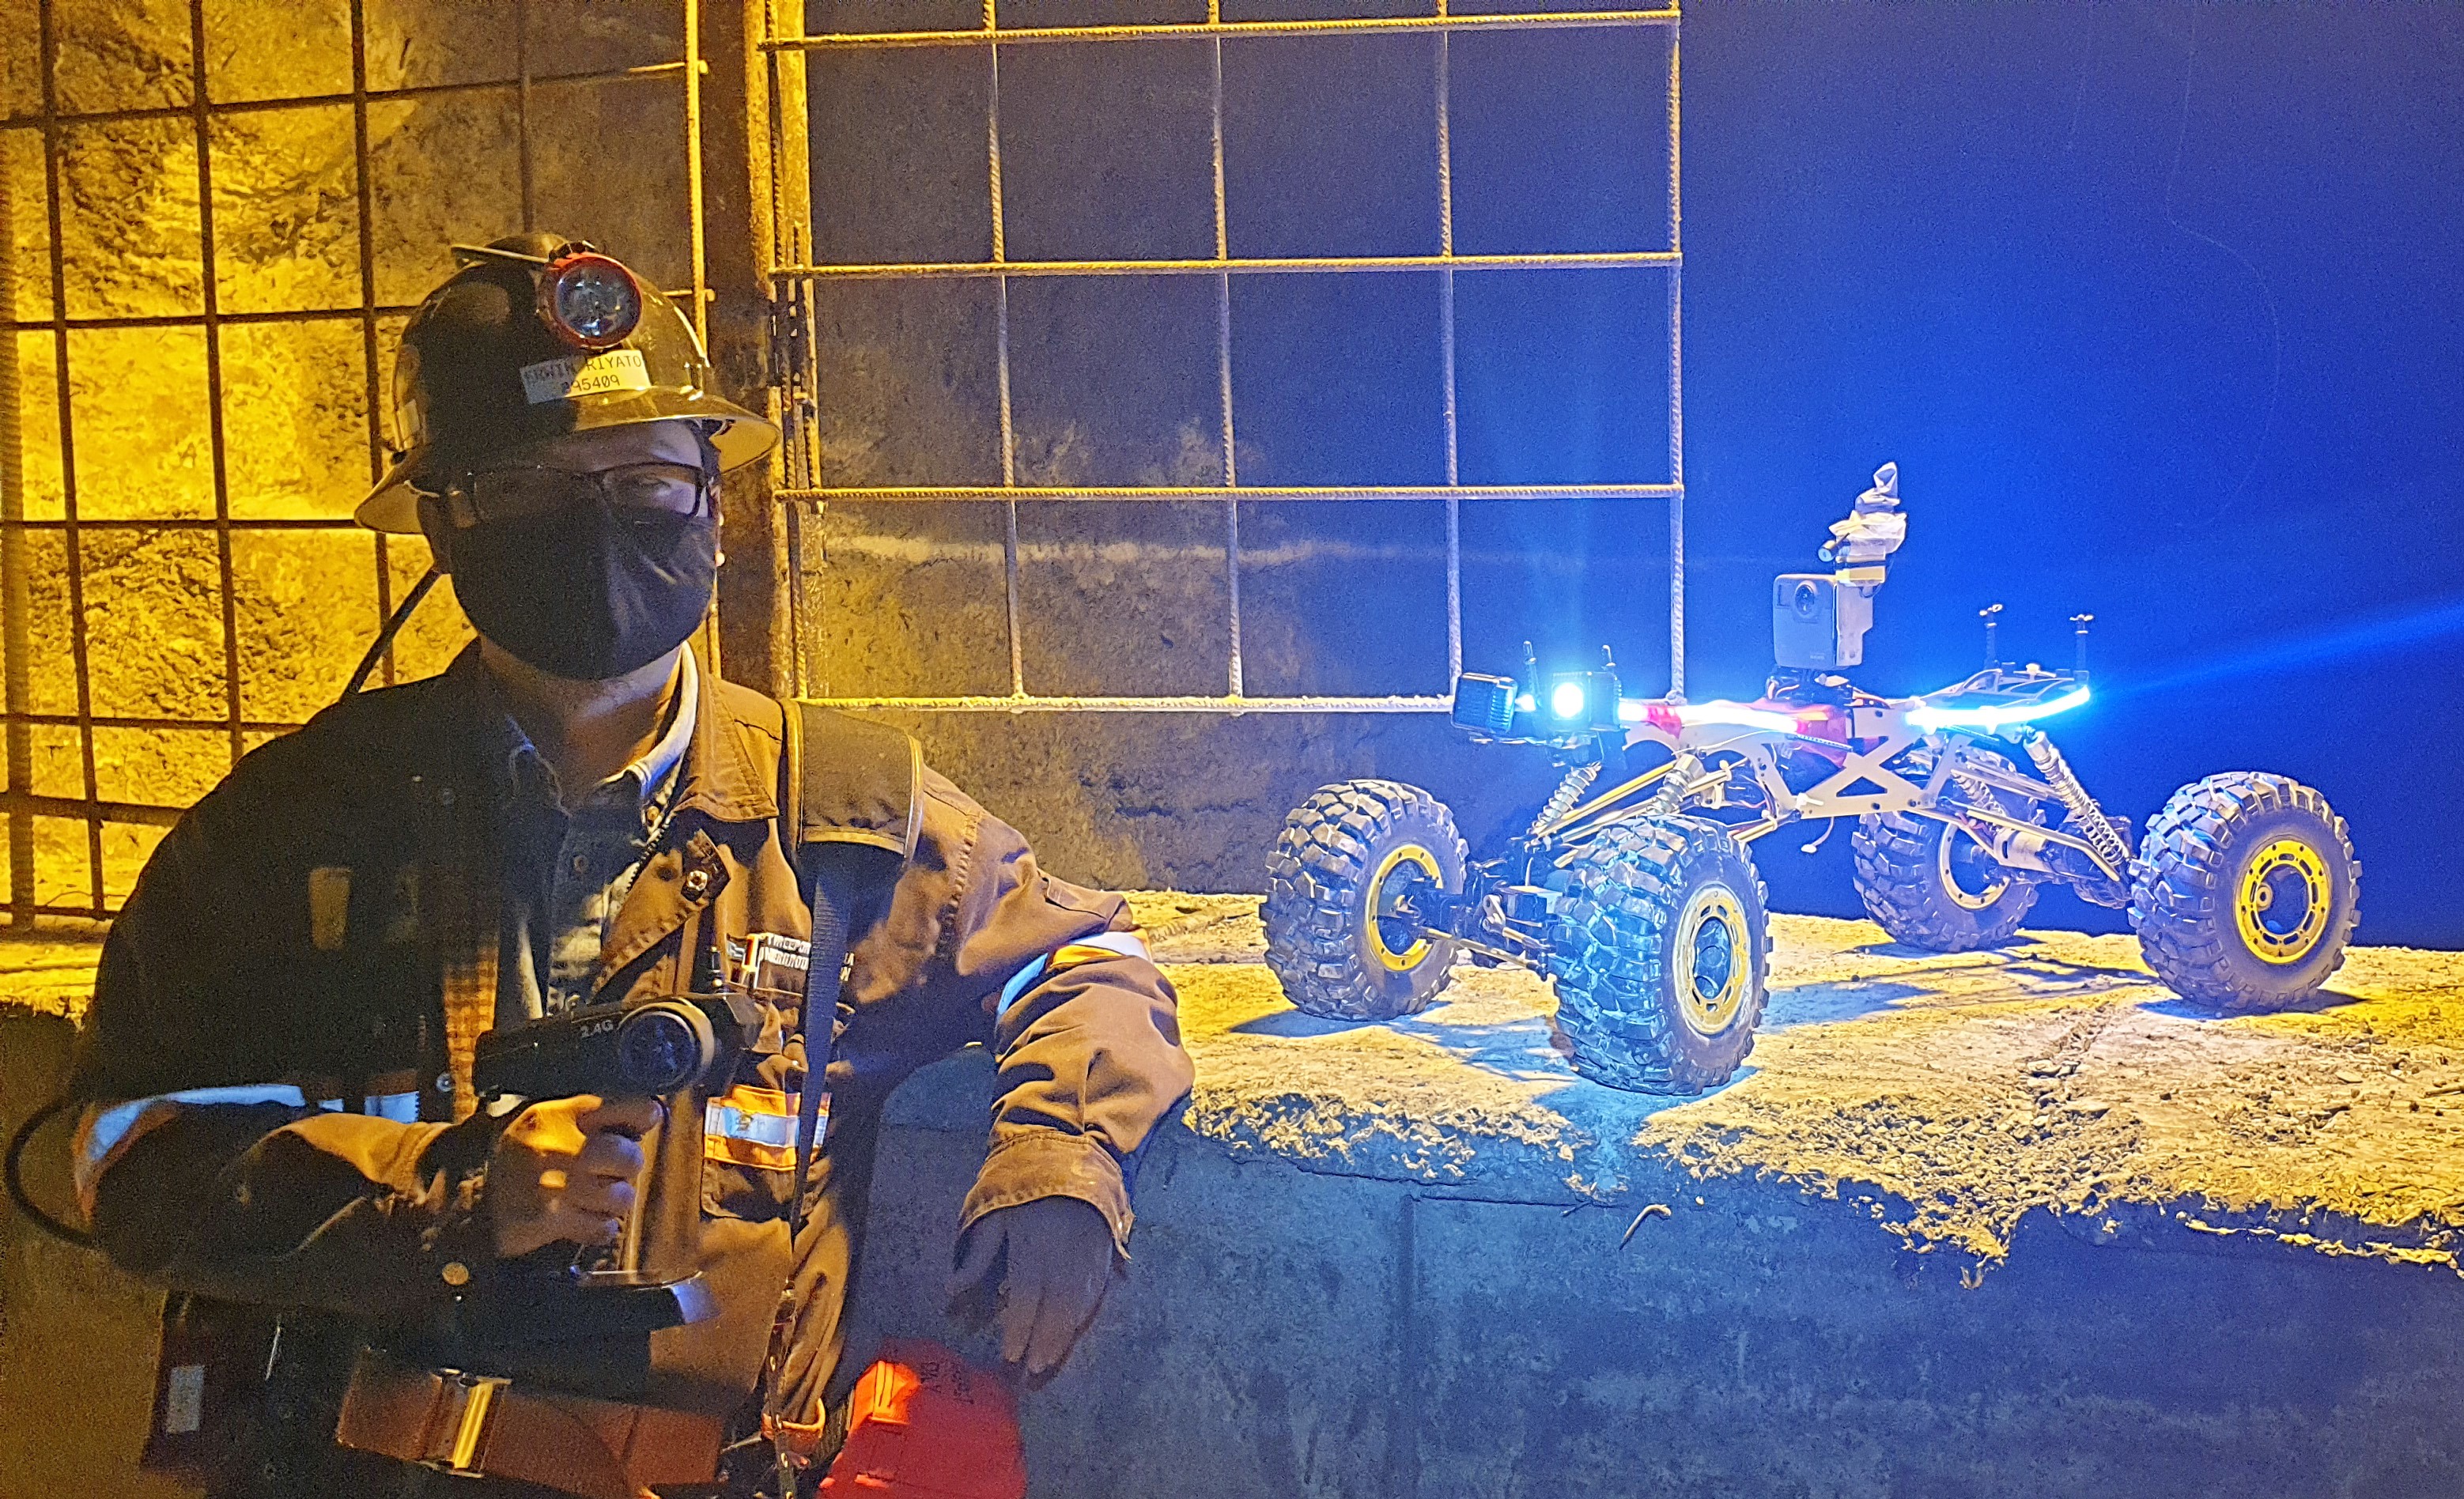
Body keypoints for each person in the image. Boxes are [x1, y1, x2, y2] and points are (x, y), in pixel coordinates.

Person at [62, 232, 1195, 1498]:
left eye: (649, 483)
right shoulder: (297, 826)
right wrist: (452, 1198)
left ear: (717, 499)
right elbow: (117, 1146)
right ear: (443, 523)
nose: (600, 529)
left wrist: (1061, 1163)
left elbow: (1088, 951)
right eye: (534, 491)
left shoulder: (838, 822)